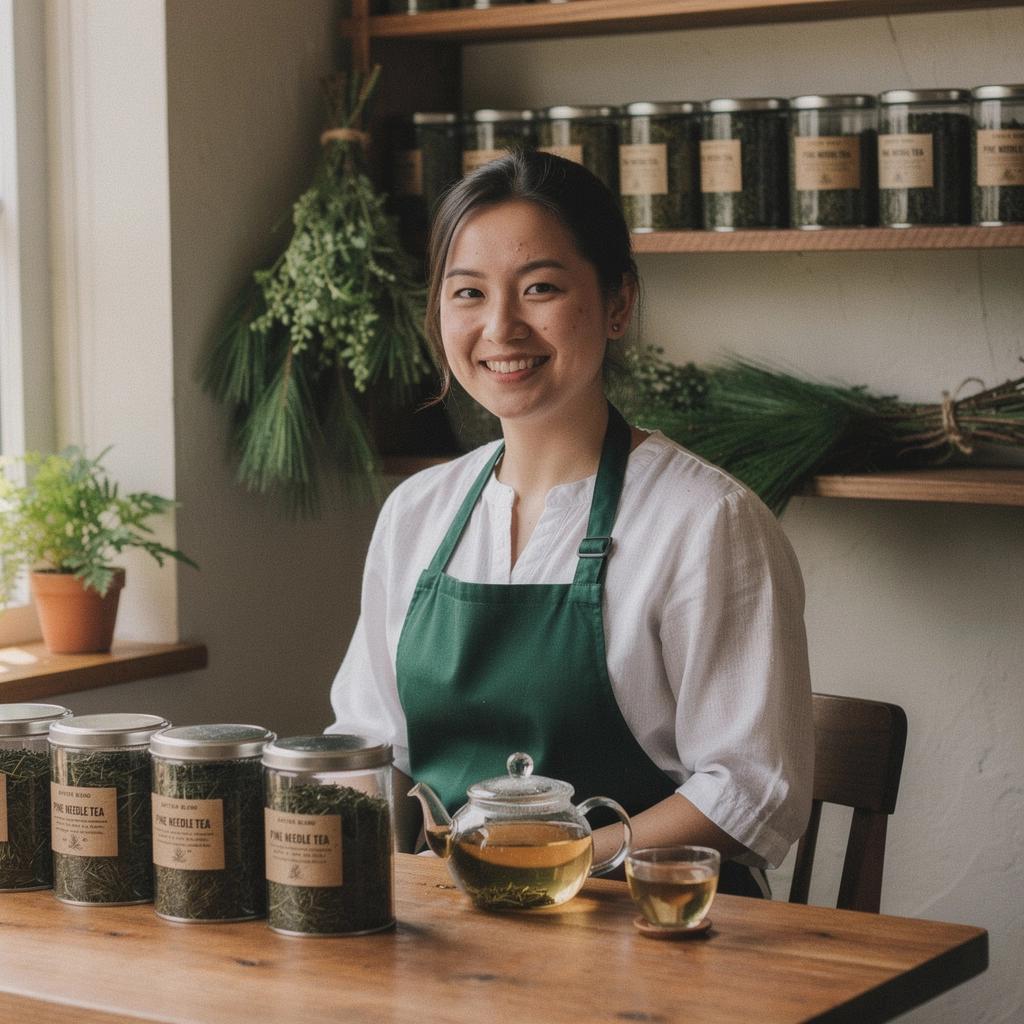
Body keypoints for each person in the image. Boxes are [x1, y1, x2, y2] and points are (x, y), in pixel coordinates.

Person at [328, 149, 813, 896]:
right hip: (455, 933)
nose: (500, 327)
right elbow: (369, 750)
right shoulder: (416, 514)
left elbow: (749, 791)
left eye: (541, 288)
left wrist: (560, 862)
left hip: (654, 928)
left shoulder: (705, 521)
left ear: (618, 304)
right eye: (467, 293)